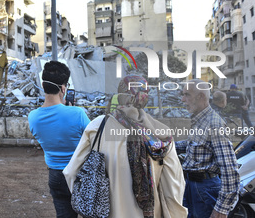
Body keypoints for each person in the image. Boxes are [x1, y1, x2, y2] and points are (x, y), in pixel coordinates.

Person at [64, 75, 187, 218]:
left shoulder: (97, 127)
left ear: (120, 95)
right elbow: (173, 187)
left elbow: (71, 172)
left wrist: (88, 202)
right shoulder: (161, 135)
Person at [28, 61, 90, 218]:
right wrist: (69, 108)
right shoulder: (77, 113)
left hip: (55, 176)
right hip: (80, 174)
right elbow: (93, 139)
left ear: (43, 85)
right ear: (63, 88)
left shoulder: (33, 117)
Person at [176, 79, 240, 218]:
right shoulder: (200, 119)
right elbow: (192, 144)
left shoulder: (214, 124)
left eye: (187, 95)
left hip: (205, 189)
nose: (182, 99)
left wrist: (221, 209)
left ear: (201, 97)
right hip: (192, 186)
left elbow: (229, 169)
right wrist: (165, 145)